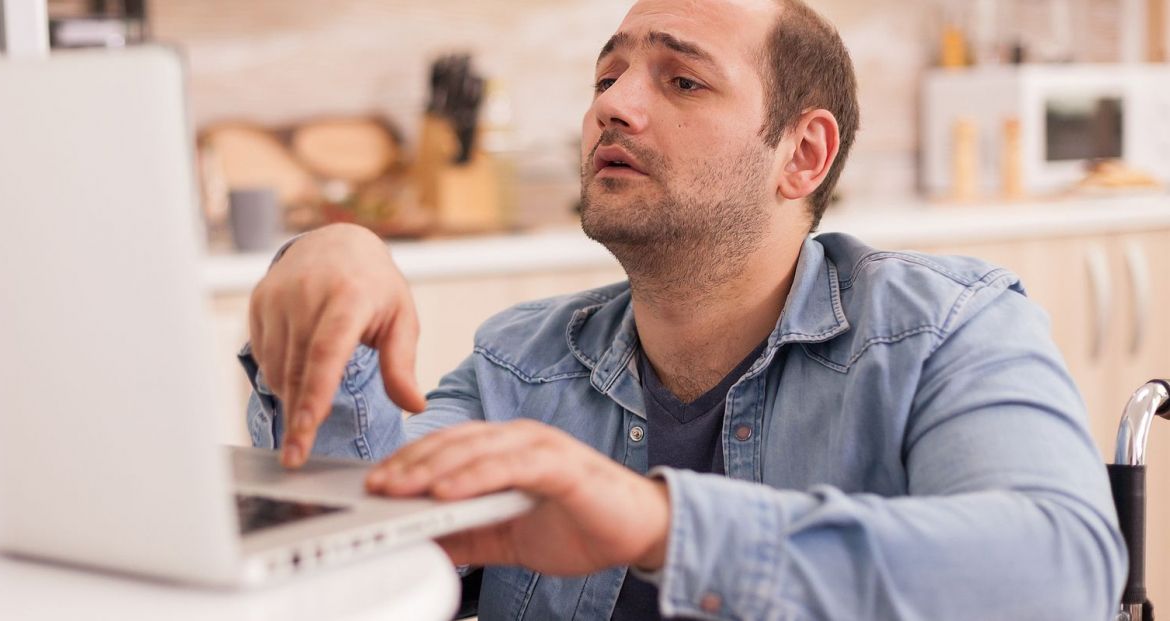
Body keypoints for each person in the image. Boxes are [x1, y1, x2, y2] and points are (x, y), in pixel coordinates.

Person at [239, 0, 1125, 618]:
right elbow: (358, 541)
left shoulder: (948, 329)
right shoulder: (522, 363)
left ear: (801, 154)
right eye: (607, 76)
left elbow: (1059, 576)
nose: (611, 107)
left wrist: (661, 525)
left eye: (682, 82)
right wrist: (330, 284)